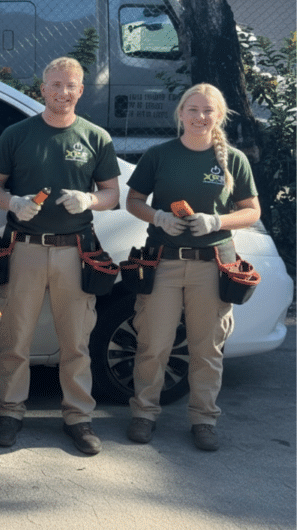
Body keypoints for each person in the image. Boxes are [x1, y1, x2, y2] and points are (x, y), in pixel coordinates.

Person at [0, 56, 120, 455]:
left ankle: (78, 417)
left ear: (80, 90)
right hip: (24, 249)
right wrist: (13, 202)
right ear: (42, 88)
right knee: (14, 340)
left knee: (76, 342)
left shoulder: (96, 138)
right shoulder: (17, 134)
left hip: (74, 253)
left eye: (70, 85)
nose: (62, 92)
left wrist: (90, 199)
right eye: (55, 84)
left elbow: (113, 194)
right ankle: (9, 411)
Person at [124, 83, 259, 451]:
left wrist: (218, 222)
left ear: (219, 116)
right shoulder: (159, 155)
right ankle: (144, 413)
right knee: (154, 343)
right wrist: (158, 217)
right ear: (181, 113)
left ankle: (203, 419)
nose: (200, 117)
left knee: (207, 348)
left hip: (212, 266)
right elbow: (133, 201)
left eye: (208, 111)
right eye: (193, 109)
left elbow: (252, 210)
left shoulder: (233, 159)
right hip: (164, 262)